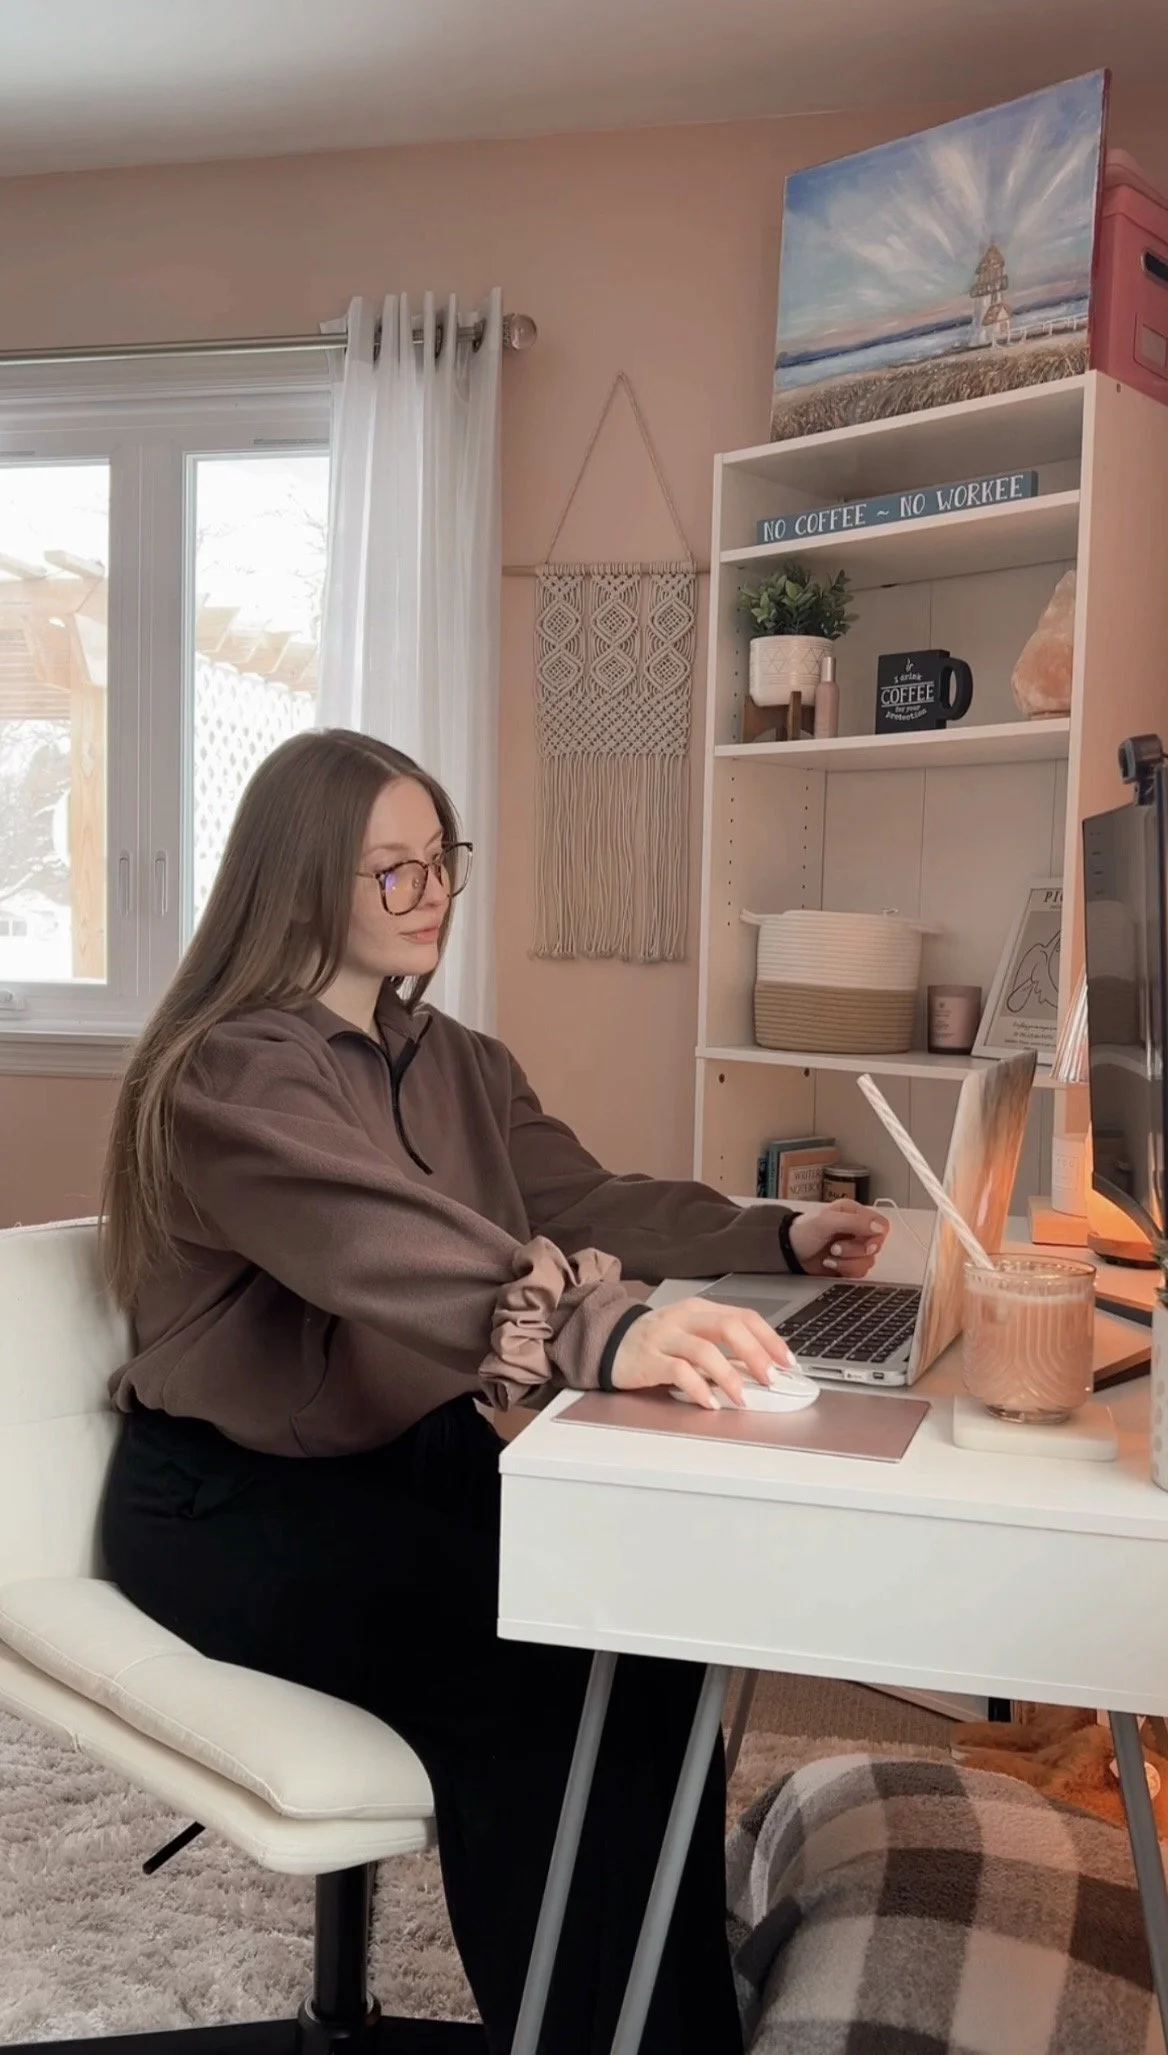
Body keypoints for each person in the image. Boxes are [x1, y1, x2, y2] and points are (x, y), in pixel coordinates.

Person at [99, 729, 888, 2055]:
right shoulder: (232, 1074)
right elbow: (375, 1244)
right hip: (230, 1501)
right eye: (389, 872)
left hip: (412, 1450)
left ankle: (674, 2012)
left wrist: (773, 1230)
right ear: (299, 883)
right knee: (535, 1676)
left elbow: (579, 1196)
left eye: (440, 862)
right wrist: (597, 1323)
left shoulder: (456, 1057)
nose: (431, 896)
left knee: (653, 1620)